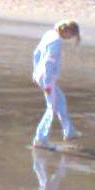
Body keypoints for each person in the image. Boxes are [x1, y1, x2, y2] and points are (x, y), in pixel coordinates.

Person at [31, 20, 81, 149]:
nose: (69, 38)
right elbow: (48, 62)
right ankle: (40, 138)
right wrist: (47, 83)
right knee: (52, 108)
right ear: (67, 31)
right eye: (71, 35)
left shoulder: (49, 34)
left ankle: (69, 131)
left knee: (61, 101)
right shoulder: (56, 41)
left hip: (42, 76)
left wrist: (35, 73)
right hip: (47, 78)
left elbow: (36, 54)